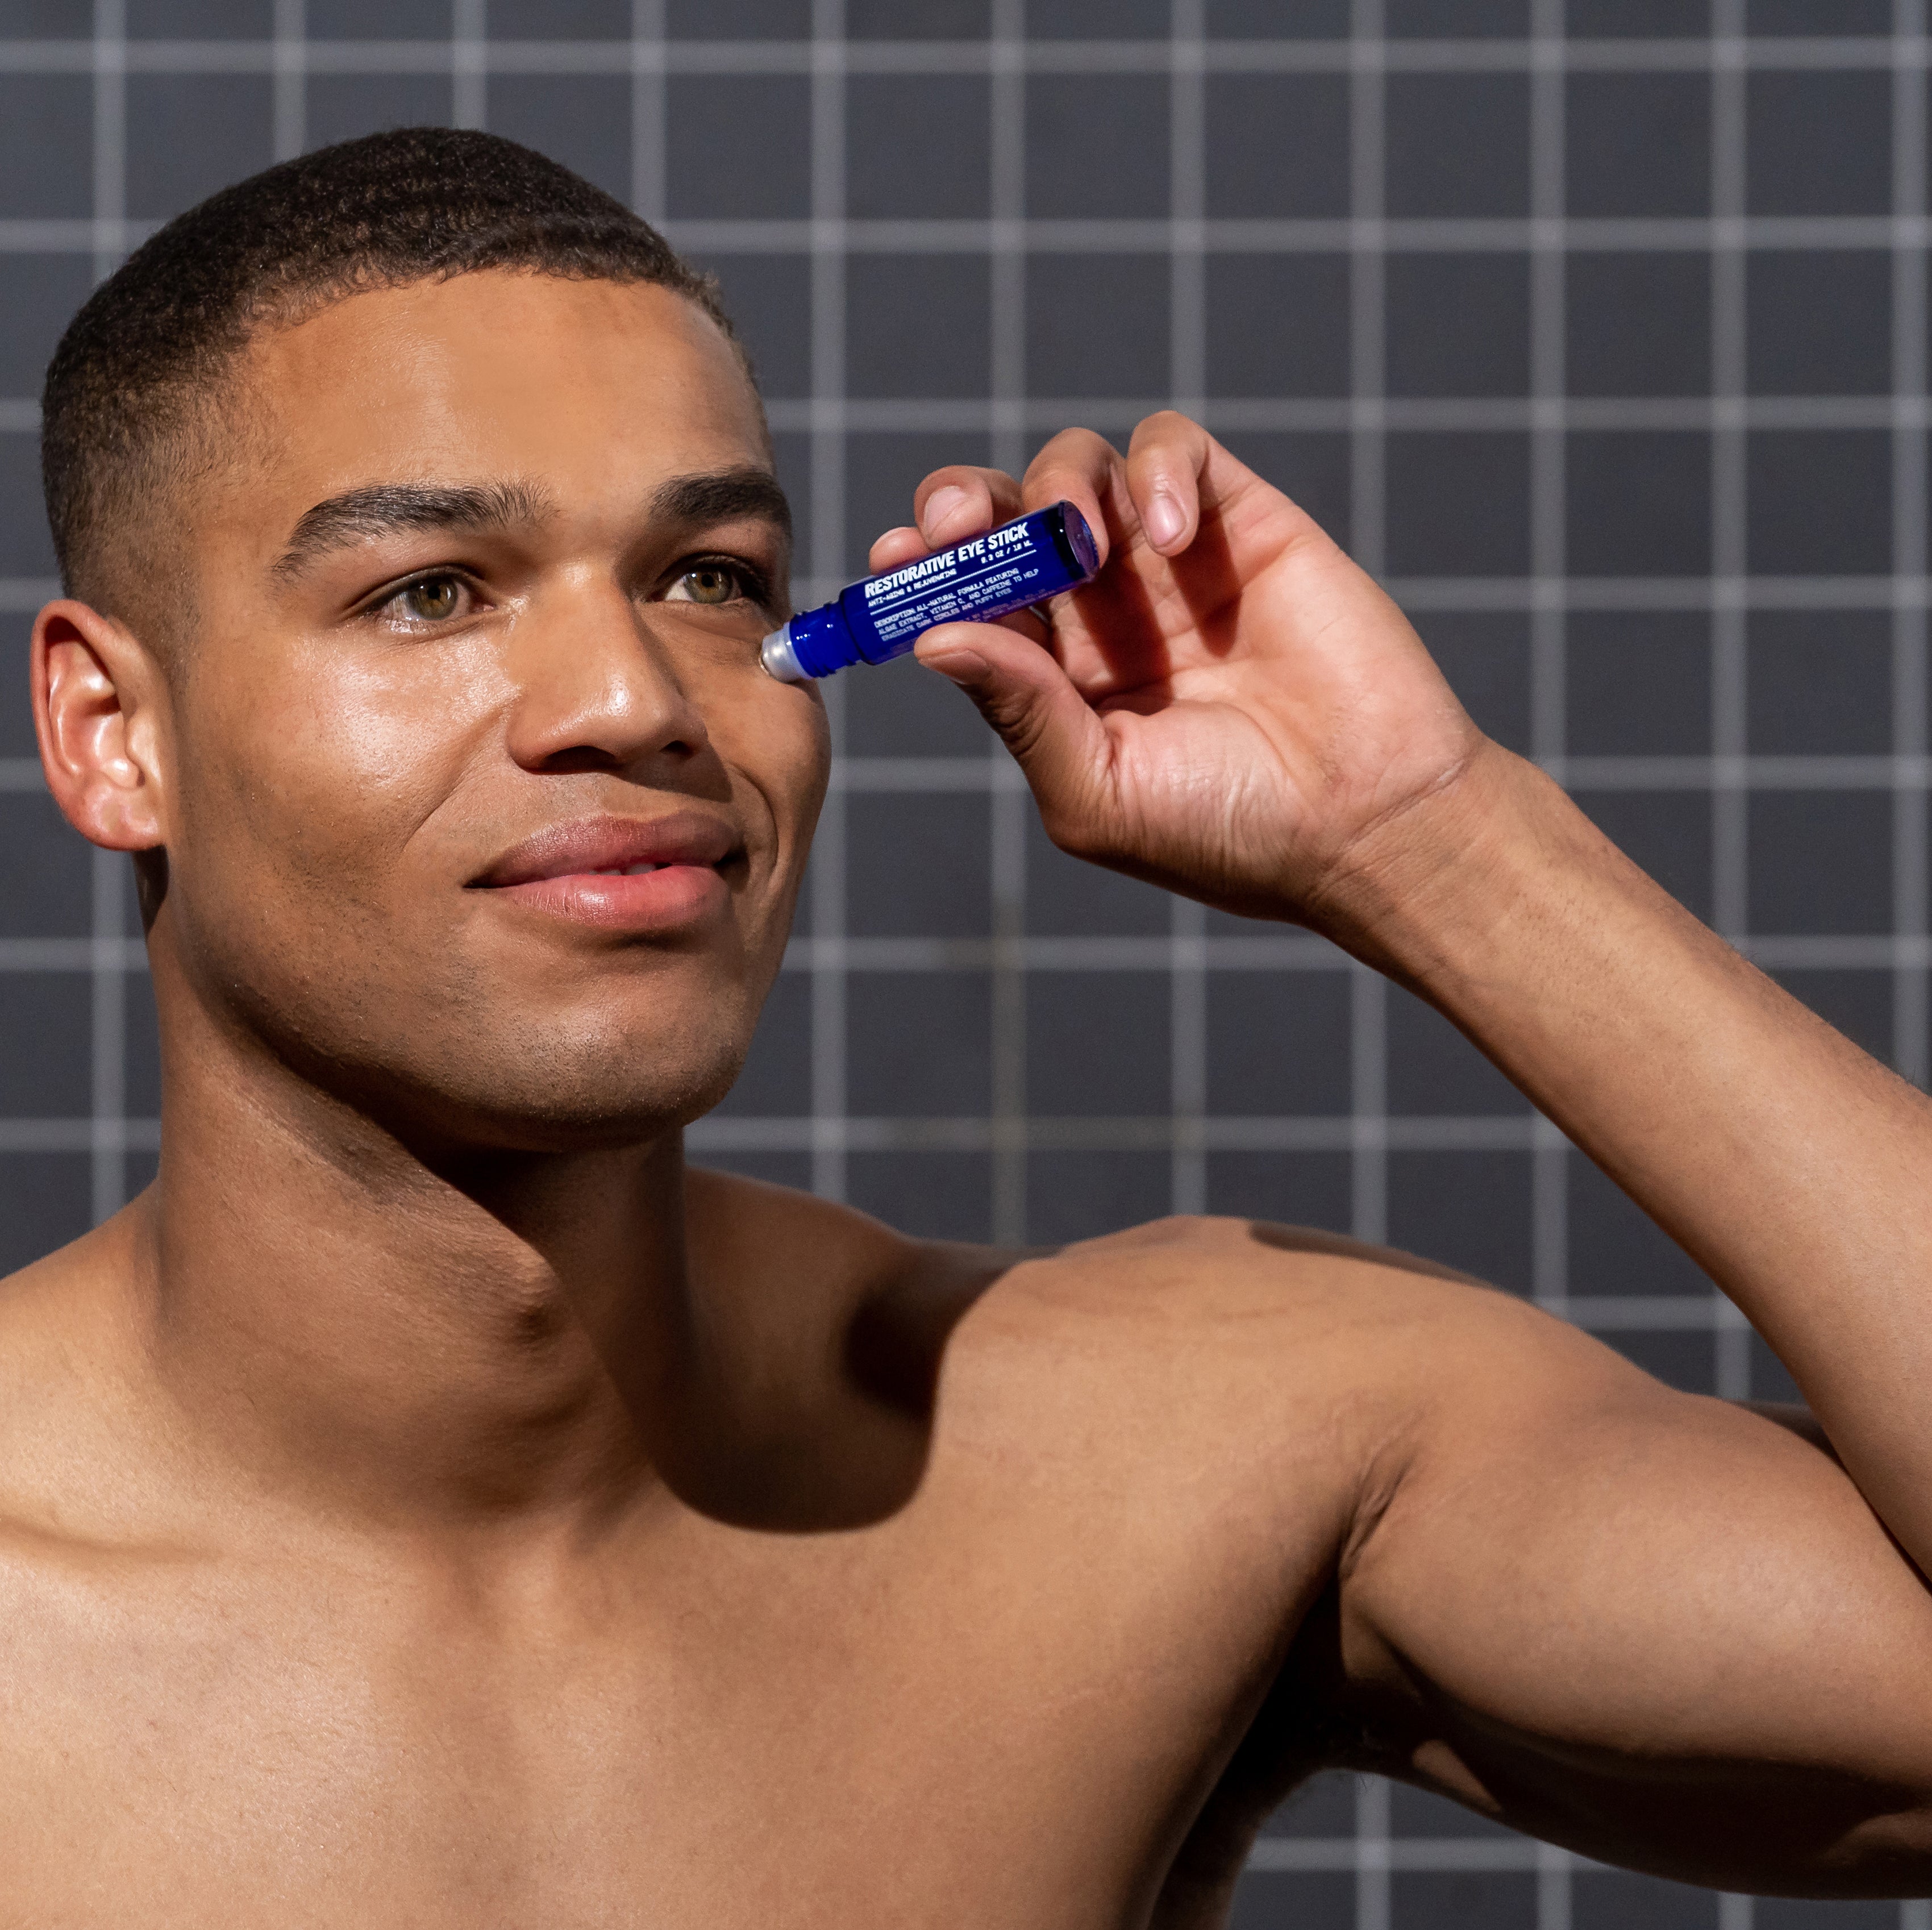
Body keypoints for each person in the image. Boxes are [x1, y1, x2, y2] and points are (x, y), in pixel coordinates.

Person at [6, 123, 1932, 1924]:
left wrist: (1436, 842)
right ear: (117, 735)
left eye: (711, 578)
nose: (632, 693)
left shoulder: (1169, 1459)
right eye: (431, 591)